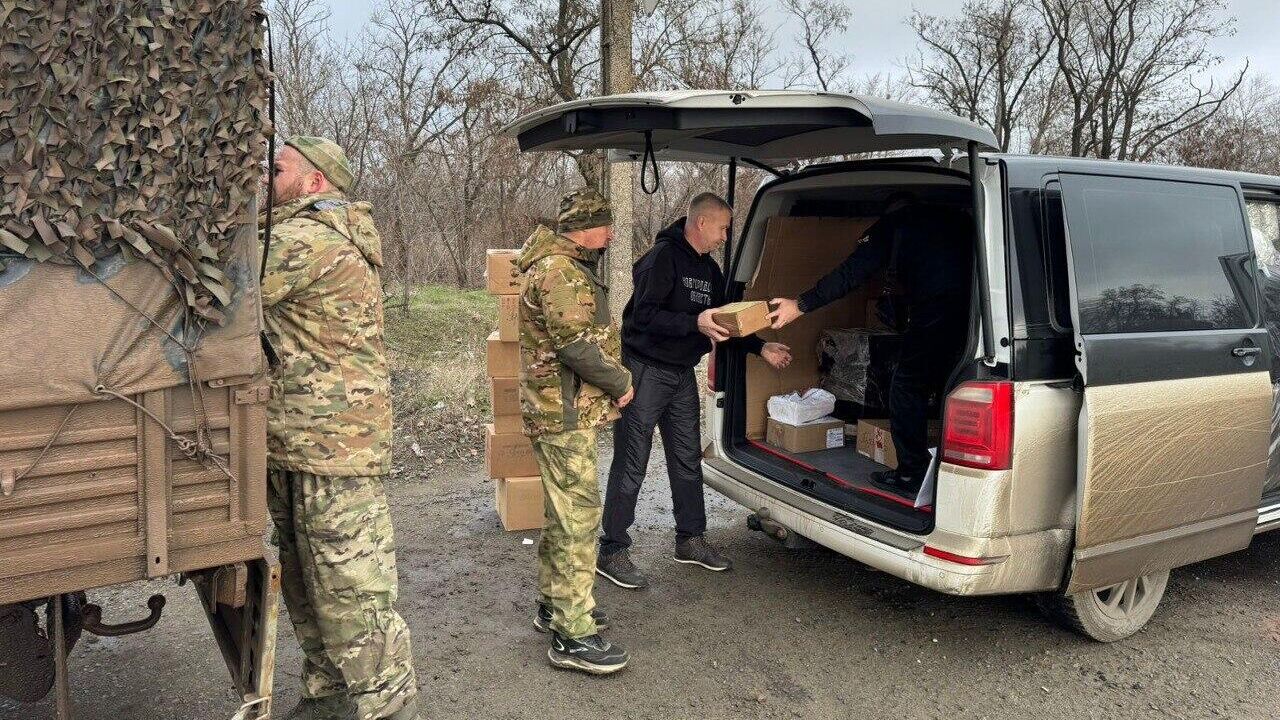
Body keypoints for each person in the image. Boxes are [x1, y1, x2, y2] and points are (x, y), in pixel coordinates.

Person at [260, 136, 419, 720]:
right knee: (305, 583)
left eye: (276, 170)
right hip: (297, 441)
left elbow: (219, 286)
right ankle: (328, 693)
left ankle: (390, 705)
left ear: (314, 182)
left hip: (335, 448)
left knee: (353, 591)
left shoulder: (307, 241)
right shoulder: (296, 234)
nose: (264, 180)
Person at [597, 193, 792, 590]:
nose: (724, 237)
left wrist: (761, 346)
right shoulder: (662, 258)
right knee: (632, 461)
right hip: (646, 371)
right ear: (702, 223)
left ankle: (690, 540)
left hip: (682, 374)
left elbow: (723, 322)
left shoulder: (710, 270)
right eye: (722, 228)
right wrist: (694, 322)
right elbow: (641, 318)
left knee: (687, 458)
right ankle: (612, 549)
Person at [766, 191, 973, 494]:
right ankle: (951, 469)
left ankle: (911, 474)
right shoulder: (960, 220)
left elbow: (852, 273)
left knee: (906, 386)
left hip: (935, 312)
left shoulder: (893, 225)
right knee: (951, 385)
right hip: (974, 317)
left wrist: (800, 304)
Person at [516, 188, 635, 675]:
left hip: (564, 412)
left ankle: (555, 605)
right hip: (564, 414)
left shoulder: (557, 267)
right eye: (605, 225)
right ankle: (572, 633)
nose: (610, 234)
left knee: (562, 513)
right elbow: (576, 347)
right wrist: (621, 382)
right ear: (584, 226)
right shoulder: (560, 272)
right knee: (577, 519)